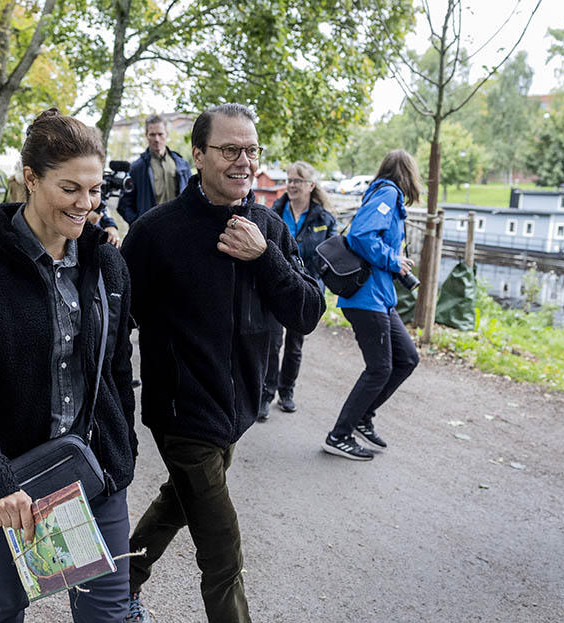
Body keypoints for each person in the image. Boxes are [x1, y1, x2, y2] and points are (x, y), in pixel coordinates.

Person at [0, 108, 138, 622]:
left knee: (106, 614)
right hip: (9, 482)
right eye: (70, 189)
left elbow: (116, 365)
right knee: (3, 608)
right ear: (30, 178)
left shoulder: (106, 262)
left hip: (94, 473)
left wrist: (121, 448)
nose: (86, 205)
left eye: (94, 191)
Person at [121, 104, 325, 623]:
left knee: (176, 503)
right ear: (198, 154)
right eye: (230, 149)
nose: (244, 161)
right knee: (222, 548)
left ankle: (117, 586)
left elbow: (305, 313)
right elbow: (118, 322)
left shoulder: (269, 229)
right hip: (182, 413)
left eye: (252, 150)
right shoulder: (156, 233)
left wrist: (265, 258)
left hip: (237, 411)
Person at [322, 149, 422, 461]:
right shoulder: (389, 193)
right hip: (367, 298)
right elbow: (362, 236)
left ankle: (362, 417)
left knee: (407, 358)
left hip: (381, 298)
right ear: (409, 174)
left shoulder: (385, 196)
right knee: (379, 368)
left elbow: (372, 238)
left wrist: (395, 260)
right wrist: (394, 260)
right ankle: (338, 436)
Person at [258, 161, 337, 420]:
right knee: (272, 342)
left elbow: (332, 256)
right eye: (289, 180)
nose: (291, 185)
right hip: (275, 285)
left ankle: (287, 391)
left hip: (304, 290)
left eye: (297, 181)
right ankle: (265, 394)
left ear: (310, 186)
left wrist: (320, 285)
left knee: (294, 344)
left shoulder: (324, 219)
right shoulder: (274, 212)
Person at [117, 114, 191, 225]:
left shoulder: (182, 164)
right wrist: (138, 224)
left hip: (179, 226)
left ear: (167, 134)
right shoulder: (137, 168)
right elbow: (124, 204)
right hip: (151, 230)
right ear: (146, 135)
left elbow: (192, 196)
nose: (156, 139)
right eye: (152, 134)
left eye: (160, 134)